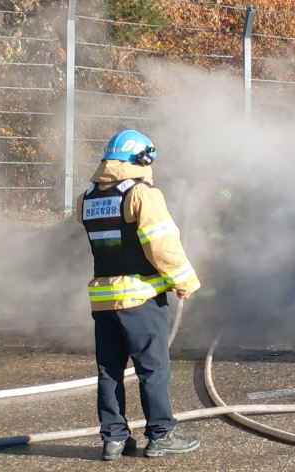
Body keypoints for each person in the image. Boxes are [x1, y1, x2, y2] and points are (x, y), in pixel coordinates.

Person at [79, 129, 201, 460]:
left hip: (103, 300)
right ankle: (161, 435)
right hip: (140, 299)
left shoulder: (87, 198)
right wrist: (185, 281)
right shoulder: (142, 195)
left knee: (109, 370)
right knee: (153, 369)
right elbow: (162, 246)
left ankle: (113, 439)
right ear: (141, 159)